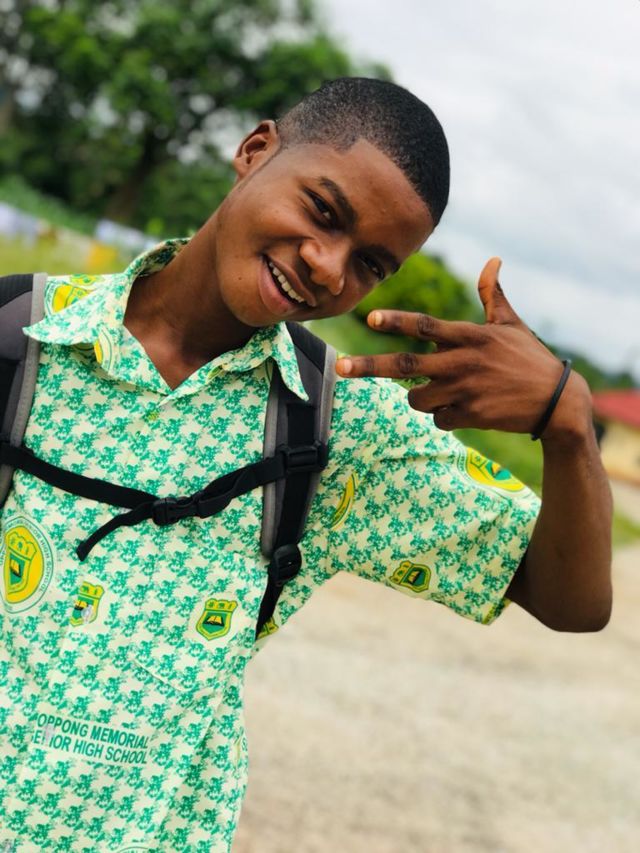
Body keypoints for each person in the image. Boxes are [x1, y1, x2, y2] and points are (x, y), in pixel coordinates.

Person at [0, 77, 612, 852]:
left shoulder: (338, 428)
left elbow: (570, 599)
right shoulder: (19, 336)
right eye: (323, 211)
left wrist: (569, 427)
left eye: (370, 264)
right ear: (255, 151)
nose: (328, 267)